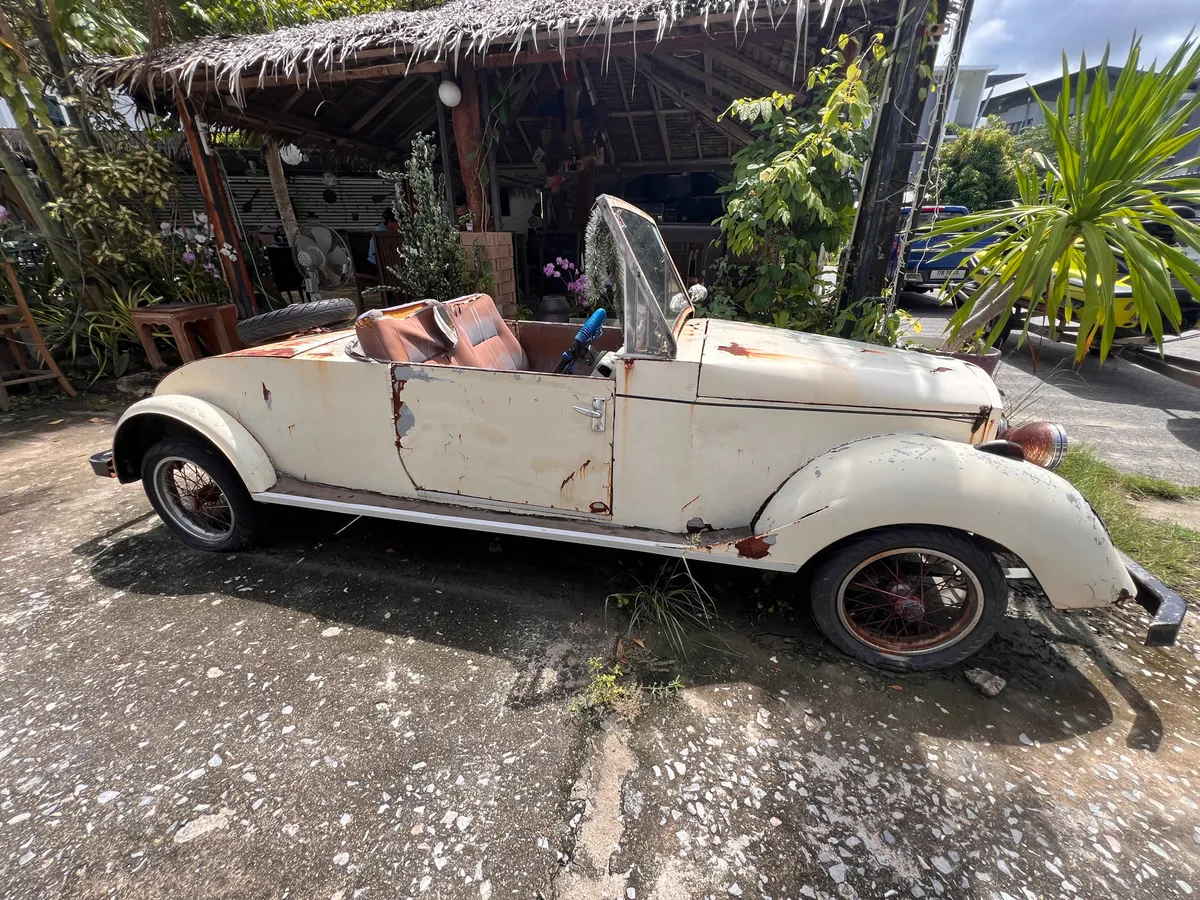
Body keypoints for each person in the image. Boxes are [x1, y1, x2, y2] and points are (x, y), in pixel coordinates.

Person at [364, 209, 399, 276]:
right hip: (376, 265)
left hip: (380, 263)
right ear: (390, 221)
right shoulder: (382, 232)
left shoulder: (383, 229)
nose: (398, 226)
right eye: (397, 223)